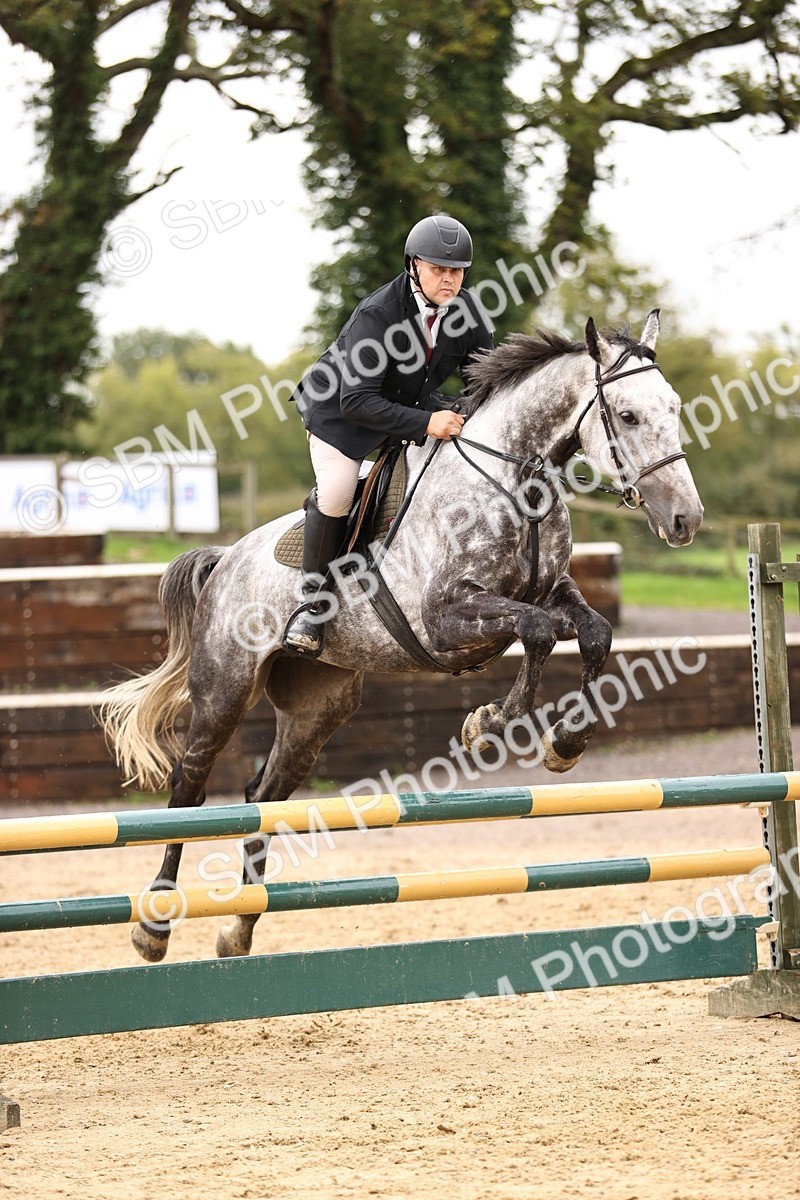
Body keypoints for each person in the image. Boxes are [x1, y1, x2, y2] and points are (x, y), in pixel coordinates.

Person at [283, 213, 493, 656]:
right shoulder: (378, 315)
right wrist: (426, 423)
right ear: (414, 265)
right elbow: (356, 402)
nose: (449, 279)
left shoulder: (469, 313)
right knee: (339, 491)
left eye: (456, 271)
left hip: (405, 406)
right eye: (439, 269)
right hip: (340, 415)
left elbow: (485, 383)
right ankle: (311, 606)